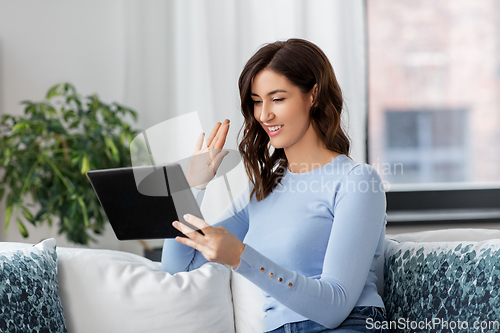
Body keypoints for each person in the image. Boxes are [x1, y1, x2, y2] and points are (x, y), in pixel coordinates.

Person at [161, 38, 390, 333]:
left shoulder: (357, 181)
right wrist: (191, 186)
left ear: (313, 95)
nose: (264, 115)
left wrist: (241, 257)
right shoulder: (261, 192)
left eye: (277, 99)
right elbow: (178, 267)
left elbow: (334, 307)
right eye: (257, 101)